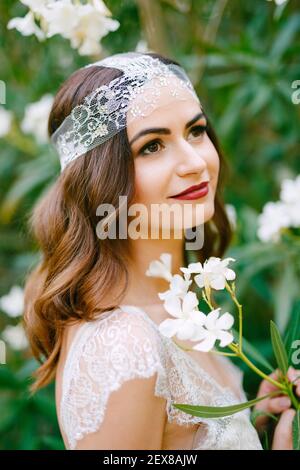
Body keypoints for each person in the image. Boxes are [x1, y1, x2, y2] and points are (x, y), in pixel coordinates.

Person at [23, 51, 299, 450]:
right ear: (101, 179)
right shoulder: (123, 346)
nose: (194, 162)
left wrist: (252, 422)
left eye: (196, 131)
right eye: (152, 146)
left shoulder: (178, 308)